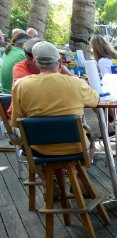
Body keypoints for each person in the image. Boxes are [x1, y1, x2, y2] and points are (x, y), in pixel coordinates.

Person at [11, 41, 99, 183]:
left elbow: (16, 122)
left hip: (39, 149)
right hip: (75, 148)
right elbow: (95, 100)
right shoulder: (76, 83)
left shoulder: (21, 85)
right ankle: (79, 181)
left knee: (29, 150)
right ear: (59, 62)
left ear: (35, 62)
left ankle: (49, 184)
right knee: (91, 138)